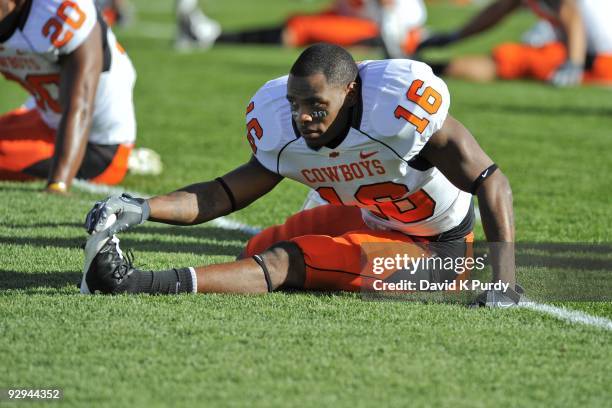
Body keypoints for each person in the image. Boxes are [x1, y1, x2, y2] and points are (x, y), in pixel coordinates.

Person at [81, 43, 521, 307]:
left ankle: (134, 284)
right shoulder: (284, 127)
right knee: (256, 250)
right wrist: (141, 208)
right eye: (295, 105)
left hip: (439, 251)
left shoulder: (400, 113)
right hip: (378, 219)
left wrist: (503, 283)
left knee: (286, 261)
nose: (303, 118)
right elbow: (220, 195)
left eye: (316, 107)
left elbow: (492, 181)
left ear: (350, 94)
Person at [0, 0, 137, 193]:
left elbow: (79, 106)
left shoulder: (59, 10)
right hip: (46, 120)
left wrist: (58, 183)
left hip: (97, 146)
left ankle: (128, 159)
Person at [417, 0, 612, 86]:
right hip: (585, 52)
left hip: (600, 60)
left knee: (510, 59)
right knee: (513, 56)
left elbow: (572, 15)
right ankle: (426, 68)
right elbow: (498, 10)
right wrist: (455, 36)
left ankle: (424, 69)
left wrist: (573, 64)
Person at [215, 0, 427, 58]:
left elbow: (387, 10)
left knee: (300, 28)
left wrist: (389, 42)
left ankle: (215, 37)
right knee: (299, 22)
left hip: (392, 30)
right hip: (361, 18)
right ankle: (215, 36)